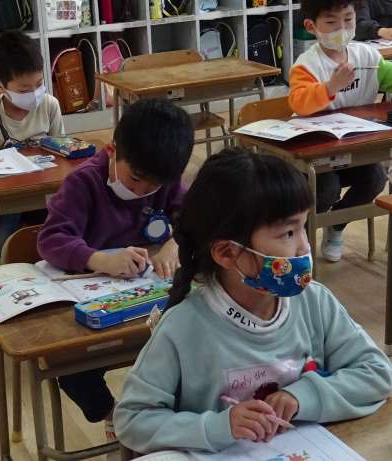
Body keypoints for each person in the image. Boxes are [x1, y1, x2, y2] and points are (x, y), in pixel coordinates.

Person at [113, 148, 392, 454]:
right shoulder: (184, 327)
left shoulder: (314, 303)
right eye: (288, 233)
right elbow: (132, 419)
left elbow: (378, 373)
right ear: (227, 253)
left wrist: (303, 397)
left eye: (303, 227)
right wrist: (220, 426)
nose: (304, 247)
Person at [37, 98, 194, 448]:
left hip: (144, 305)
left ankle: (162, 415)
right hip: (89, 306)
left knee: (189, 341)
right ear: (112, 150)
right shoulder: (83, 183)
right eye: (135, 178)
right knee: (71, 364)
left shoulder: (163, 181)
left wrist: (175, 244)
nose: (141, 191)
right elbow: (50, 240)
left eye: (152, 187)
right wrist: (98, 259)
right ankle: (114, 415)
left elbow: (195, 217)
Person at [289, 0, 390, 262]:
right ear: (311, 26)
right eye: (332, 22)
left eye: (348, 19)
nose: (342, 28)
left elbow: (388, 77)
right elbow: (298, 102)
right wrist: (330, 87)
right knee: (326, 189)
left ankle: (336, 225)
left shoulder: (367, 56)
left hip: (353, 148)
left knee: (376, 178)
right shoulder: (307, 65)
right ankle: (301, 236)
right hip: (315, 155)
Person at [0, 31, 64, 260]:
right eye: (24, 90)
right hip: (3, 200)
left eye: (39, 84)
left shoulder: (49, 106)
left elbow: (63, 151)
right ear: (0, 86)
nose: (34, 94)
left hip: (43, 192)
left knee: (58, 234)